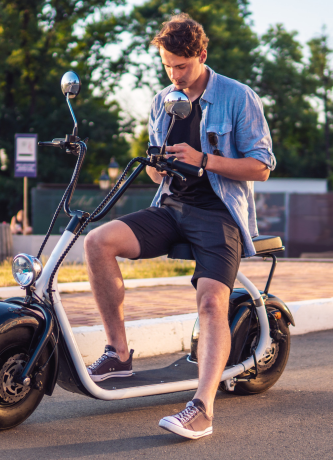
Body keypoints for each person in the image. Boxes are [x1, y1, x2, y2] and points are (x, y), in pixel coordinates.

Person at [84, 13, 275, 440]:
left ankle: (202, 407)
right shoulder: (161, 101)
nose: (174, 75)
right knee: (97, 242)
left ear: (202, 56)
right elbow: (156, 176)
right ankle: (118, 353)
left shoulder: (238, 97)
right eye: (167, 65)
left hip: (219, 214)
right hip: (170, 207)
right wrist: (158, 166)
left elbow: (261, 167)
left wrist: (204, 160)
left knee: (210, 303)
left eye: (182, 66)